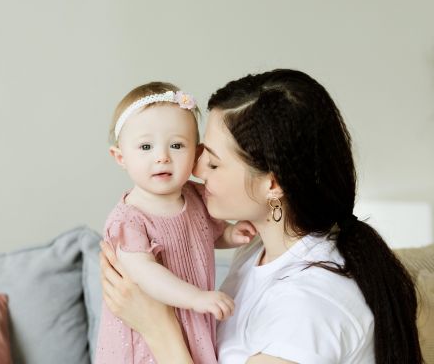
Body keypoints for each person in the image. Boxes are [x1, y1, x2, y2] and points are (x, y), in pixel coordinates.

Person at [99, 70, 423, 364]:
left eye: (211, 163)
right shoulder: (259, 249)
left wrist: (158, 327)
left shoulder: (307, 308)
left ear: (272, 184)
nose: (194, 171)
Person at [95, 82, 257, 364]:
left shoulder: (196, 196)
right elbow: (144, 274)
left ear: (196, 154)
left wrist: (229, 234)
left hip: (191, 321)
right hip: (146, 333)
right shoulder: (128, 220)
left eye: (177, 145)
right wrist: (196, 298)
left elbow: (205, 236)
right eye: (145, 146)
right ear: (120, 157)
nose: (162, 156)